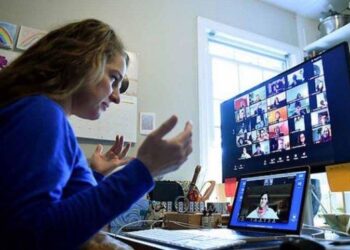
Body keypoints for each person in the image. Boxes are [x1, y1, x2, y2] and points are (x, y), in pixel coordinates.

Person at [0, 19, 193, 250]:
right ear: (83, 62)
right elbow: (32, 236)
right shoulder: (41, 113)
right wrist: (144, 170)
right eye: (114, 79)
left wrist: (95, 175)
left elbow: (76, 222)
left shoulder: (50, 119)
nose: (116, 96)